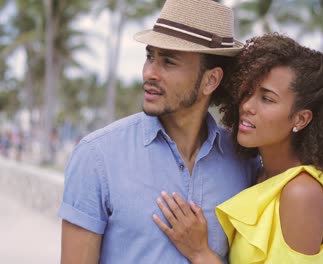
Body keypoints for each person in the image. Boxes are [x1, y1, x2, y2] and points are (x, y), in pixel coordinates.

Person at [59, 0, 259, 263]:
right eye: (150, 56)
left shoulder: (245, 162)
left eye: (168, 62)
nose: (149, 73)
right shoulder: (97, 156)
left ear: (211, 80)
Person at [153, 33, 323, 263]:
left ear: (301, 119)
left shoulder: (301, 193)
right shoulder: (262, 176)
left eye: (267, 99)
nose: (247, 106)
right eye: (248, 92)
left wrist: (200, 253)